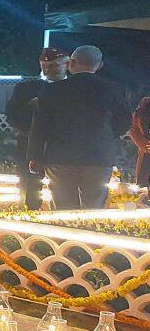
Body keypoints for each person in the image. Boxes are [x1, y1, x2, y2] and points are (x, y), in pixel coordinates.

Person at [28, 45, 130, 209]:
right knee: (94, 208)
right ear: (100, 65)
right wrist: (105, 135)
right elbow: (125, 121)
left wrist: (35, 155)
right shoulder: (114, 89)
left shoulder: (52, 90)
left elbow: (39, 125)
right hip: (99, 156)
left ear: (71, 63)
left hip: (60, 156)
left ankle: (63, 234)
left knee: (62, 208)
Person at [5, 48, 69, 209]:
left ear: (67, 64)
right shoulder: (26, 89)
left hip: (66, 149)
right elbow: (12, 116)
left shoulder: (76, 89)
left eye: (54, 66)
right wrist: (35, 135)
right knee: (29, 191)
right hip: (29, 148)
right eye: (45, 66)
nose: (49, 70)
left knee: (66, 194)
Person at [132, 91, 150, 188]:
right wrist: (143, 144)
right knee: (144, 187)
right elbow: (133, 129)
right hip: (147, 155)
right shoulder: (143, 109)